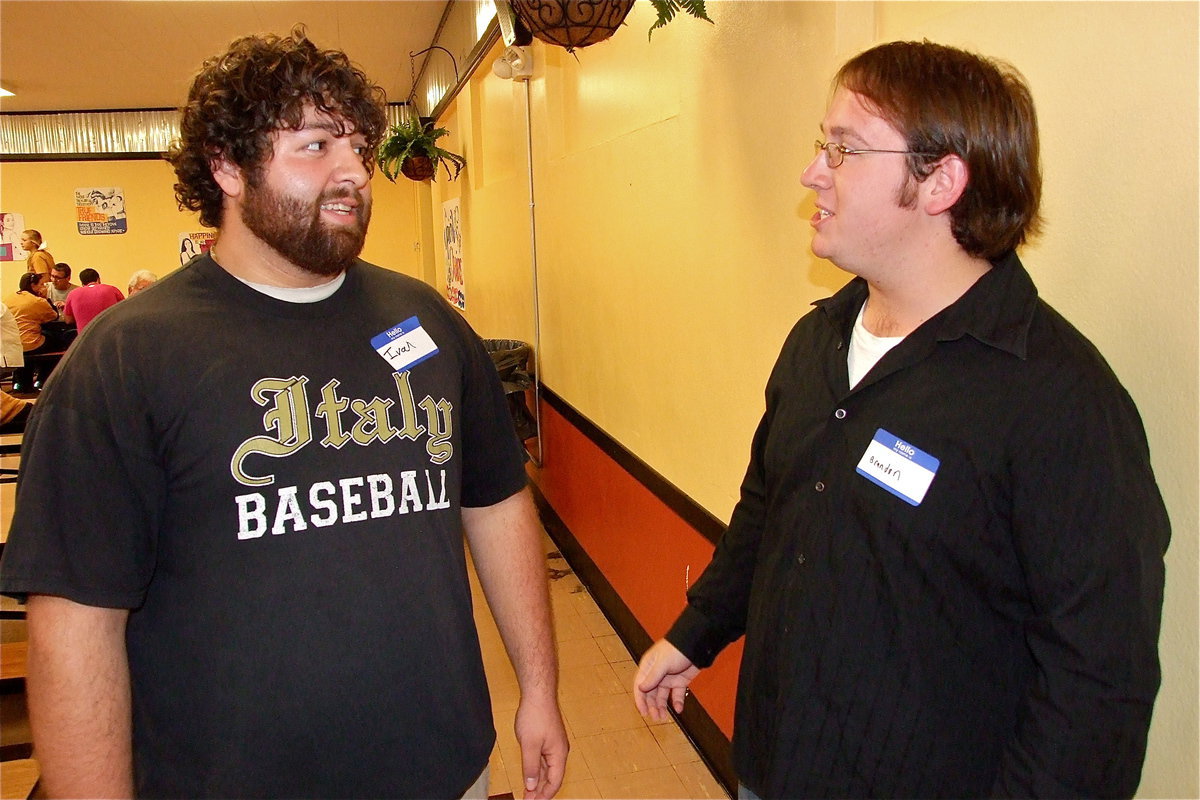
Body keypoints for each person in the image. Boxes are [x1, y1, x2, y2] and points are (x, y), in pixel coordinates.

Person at [0, 26, 567, 800]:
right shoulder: (125, 360)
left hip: (444, 768)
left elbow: (497, 503)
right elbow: (72, 627)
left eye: (361, 149)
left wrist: (539, 691)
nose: (354, 173)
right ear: (227, 167)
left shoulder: (426, 321)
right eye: (315, 146)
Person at [634, 40, 1169, 799]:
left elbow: (1097, 685)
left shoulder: (1060, 401)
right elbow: (767, 511)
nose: (812, 171)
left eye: (843, 149)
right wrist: (696, 633)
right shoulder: (817, 341)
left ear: (941, 180)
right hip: (775, 765)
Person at [2, 273, 57, 392]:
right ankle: (42, 380)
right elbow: (54, 316)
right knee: (55, 343)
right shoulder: (37, 301)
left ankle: (19, 384)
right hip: (30, 343)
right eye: (41, 284)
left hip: (10, 344)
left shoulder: (9, 298)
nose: (44, 287)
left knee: (25, 348)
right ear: (33, 285)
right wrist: (46, 298)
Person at [61, 267, 124, 332]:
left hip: (86, 337)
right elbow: (124, 310)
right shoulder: (112, 289)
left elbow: (68, 320)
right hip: (111, 335)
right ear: (98, 279)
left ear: (82, 283)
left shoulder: (73, 293)